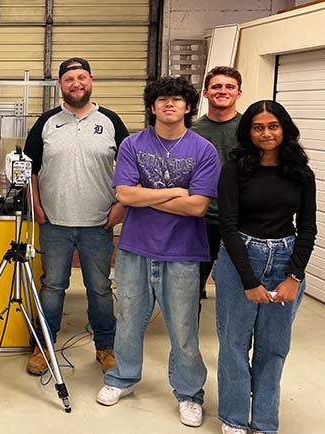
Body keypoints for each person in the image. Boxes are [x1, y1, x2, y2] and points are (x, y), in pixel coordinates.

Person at [96, 76, 220, 428]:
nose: (169, 104)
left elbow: (198, 207)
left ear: (188, 106)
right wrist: (176, 192)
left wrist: (147, 195)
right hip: (135, 249)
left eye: (177, 99)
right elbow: (125, 196)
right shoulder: (133, 145)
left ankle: (189, 394)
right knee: (129, 321)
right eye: (162, 99)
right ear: (152, 106)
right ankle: (122, 378)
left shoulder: (203, 150)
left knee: (183, 328)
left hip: (183, 252)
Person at [213, 100, 316, 434]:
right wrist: (248, 280)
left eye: (273, 126)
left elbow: (308, 229)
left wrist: (294, 277)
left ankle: (265, 422)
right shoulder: (234, 169)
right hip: (240, 257)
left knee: (273, 347)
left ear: (284, 128)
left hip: (285, 259)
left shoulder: (300, 172)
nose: (266, 133)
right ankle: (234, 418)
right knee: (234, 344)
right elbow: (226, 226)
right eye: (258, 127)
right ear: (249, 132)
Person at [23, 57, 128, 375]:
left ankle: (105, 347)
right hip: (54, 222)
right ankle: (44, 347)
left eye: (81, 77)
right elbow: (29, 169)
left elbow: (129, 167)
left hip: (98, 223)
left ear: (91, 80)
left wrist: (121, 206)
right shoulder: (46, 122)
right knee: (53, 287)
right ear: (60, 85)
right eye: (69, 79)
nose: (76, 83)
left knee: (99, 288)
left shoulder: (110, 121)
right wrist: (37, 207)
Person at [191, 66, 243, 300]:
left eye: (229, 87)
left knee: (237, 283)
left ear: (238, 93)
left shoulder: (249, 130)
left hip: (240, 219)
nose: (223, 91)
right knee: (193, 285)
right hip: (201, 219)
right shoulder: (192, 131)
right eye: (217, 86)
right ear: (205, 93)